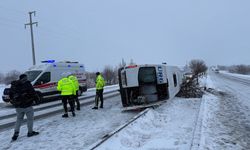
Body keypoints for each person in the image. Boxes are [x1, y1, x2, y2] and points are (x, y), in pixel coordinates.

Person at [9, 74, 39, 141]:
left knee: (19, 120)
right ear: (25, 78)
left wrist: (13, 102)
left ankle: (15, 134)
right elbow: (33, 93)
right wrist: (36, 99)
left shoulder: (14, 84)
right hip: (27, 105)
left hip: (18, 106)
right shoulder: (27, 84)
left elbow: (10, 94)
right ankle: (30, 132)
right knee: (30, 119)